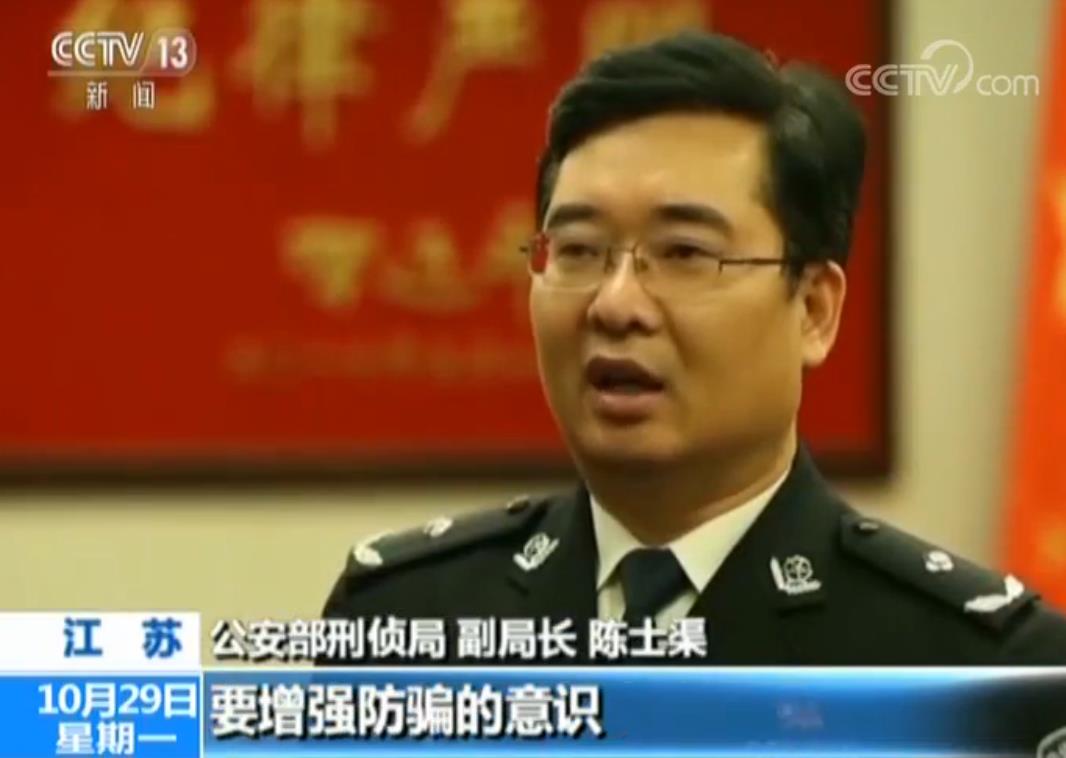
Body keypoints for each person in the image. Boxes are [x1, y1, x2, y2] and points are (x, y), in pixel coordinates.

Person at [321, 30, 1066, 664]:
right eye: (578, 250)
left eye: (684, 253)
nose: (616, 304)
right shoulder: (402, 621)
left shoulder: (971, 665)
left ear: (813, 309)